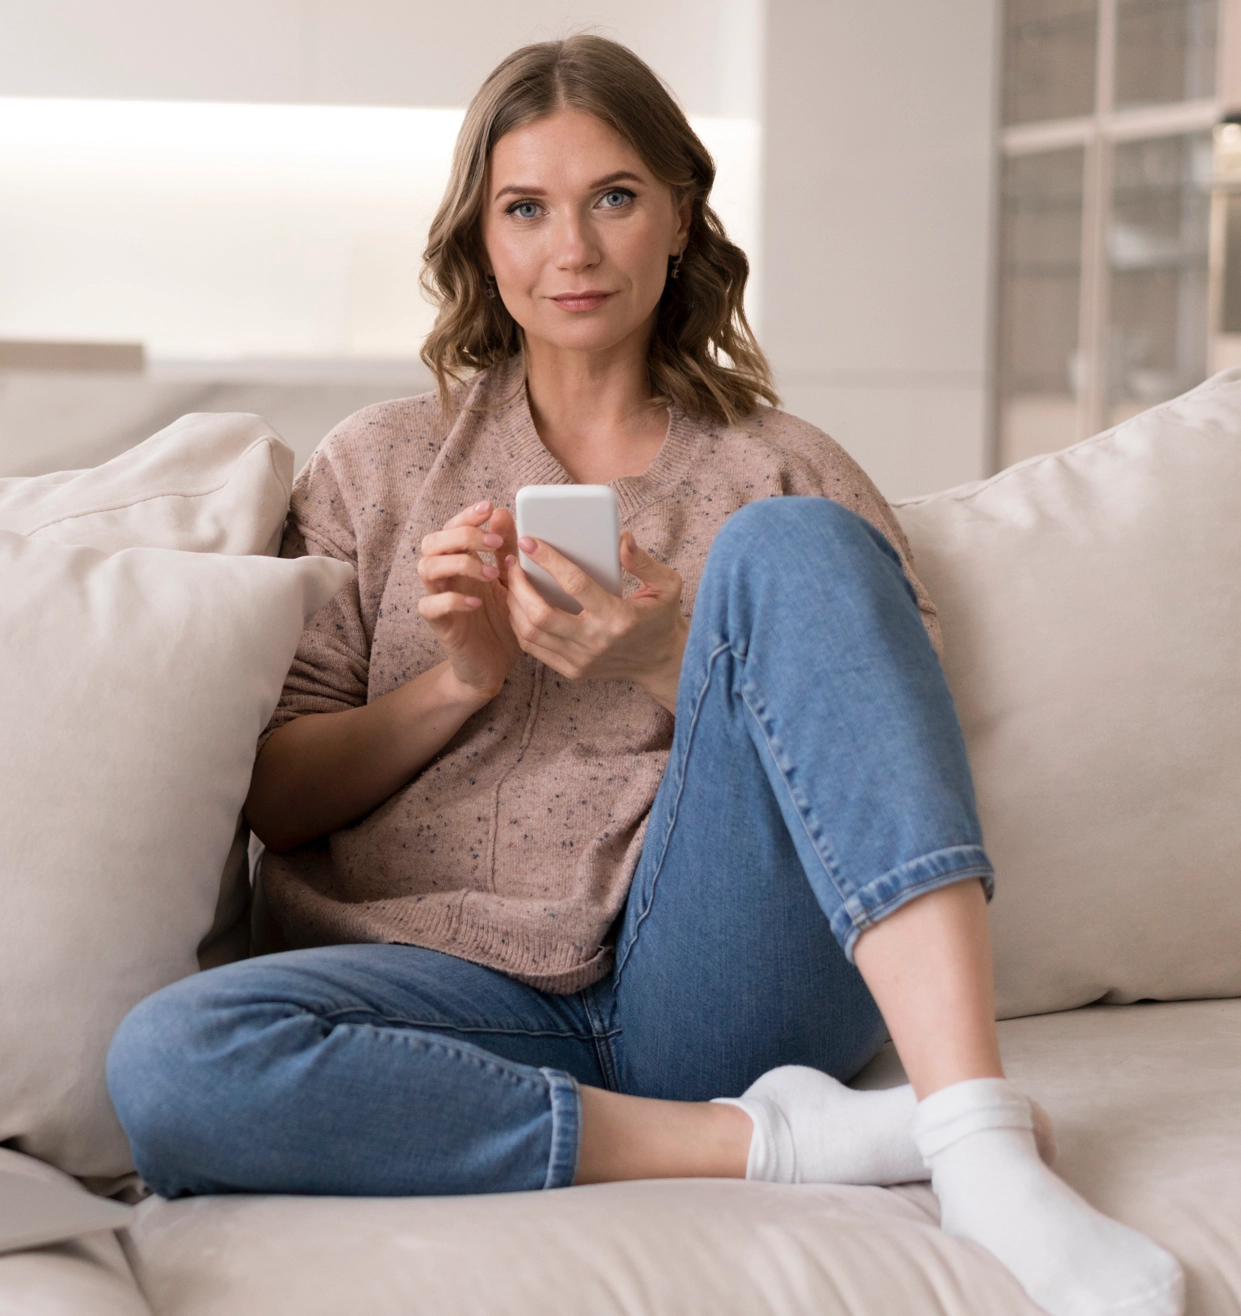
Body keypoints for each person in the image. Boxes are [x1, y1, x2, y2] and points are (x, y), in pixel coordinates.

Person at [106, 35, 1182, 1316]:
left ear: (678, 213)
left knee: (791, 546)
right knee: (171, 1060)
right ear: (482, 239)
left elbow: (881, 779)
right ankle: (787, 1140)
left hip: (713, 979)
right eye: (526, 208)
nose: (573, 248)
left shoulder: (784, 469)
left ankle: (978, 1146)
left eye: (613, 196)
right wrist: (461, 678)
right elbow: (279, 800)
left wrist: (666, 655)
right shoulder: (375, 467)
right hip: (435, 998)